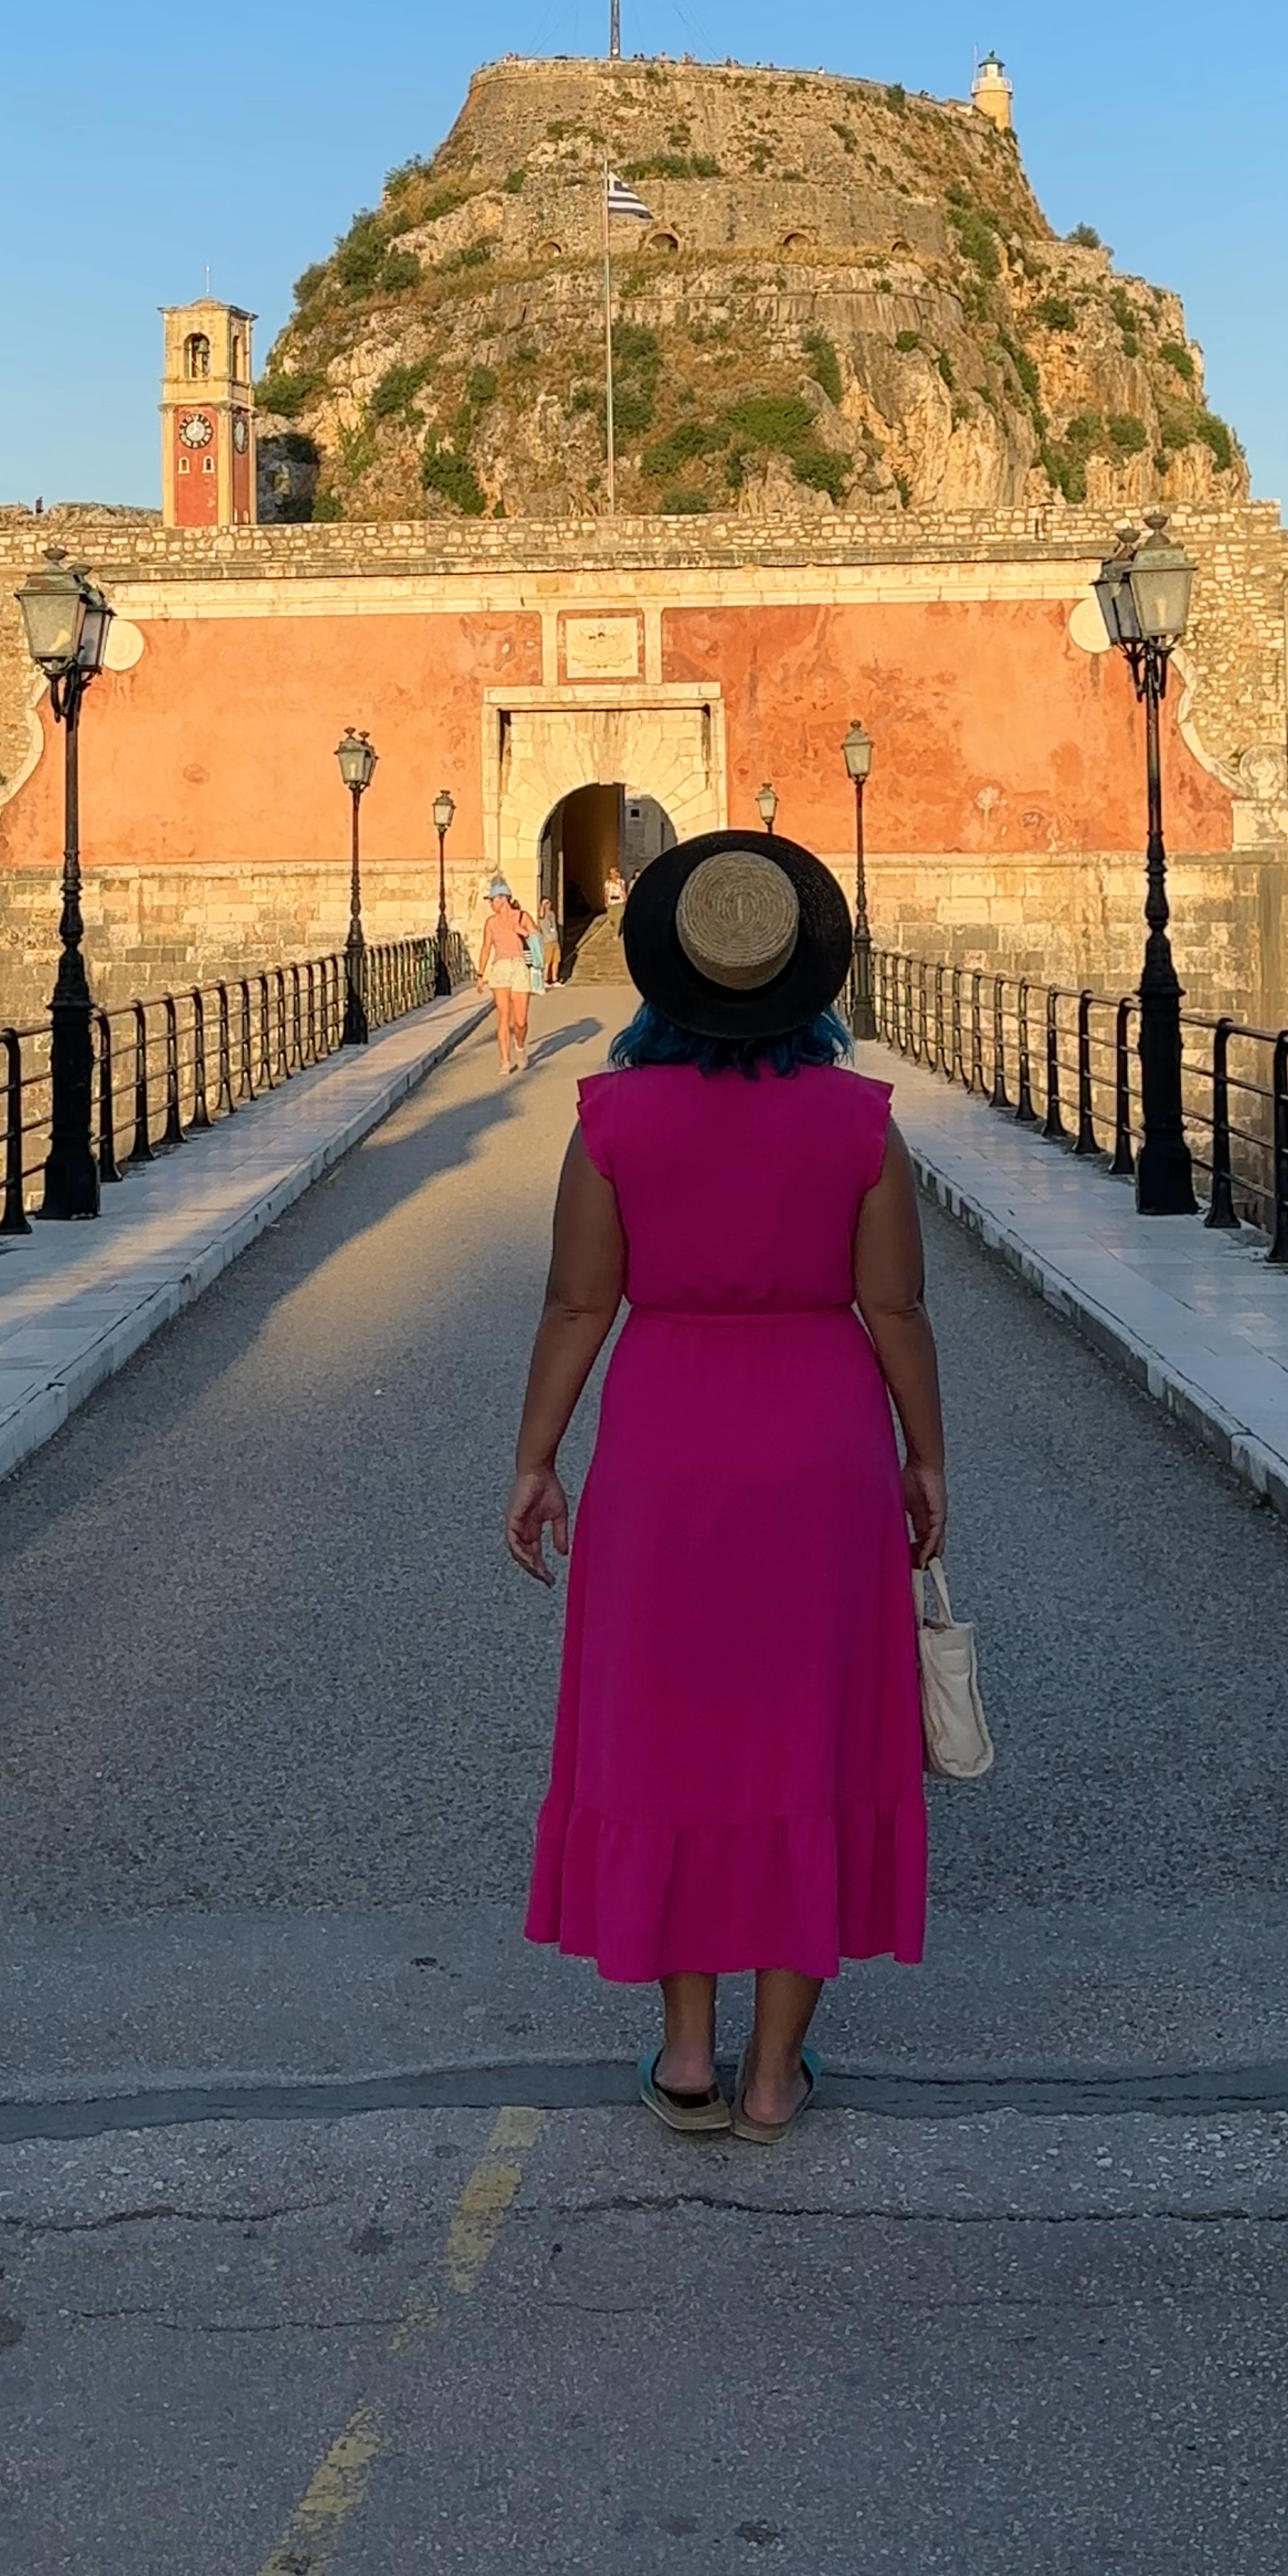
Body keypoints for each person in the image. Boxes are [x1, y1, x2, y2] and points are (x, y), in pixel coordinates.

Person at [506, 830, 947, 2141]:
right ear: (804, 980)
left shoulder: (610, 1116)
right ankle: (776, 2073)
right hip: (823, 1443)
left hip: (666, 1447)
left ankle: (689, 2054)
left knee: (677, 1733)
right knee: (813, 1728)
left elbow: (580, 1299)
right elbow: (898, 1304)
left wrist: (536, 1454)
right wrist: (927, 1455)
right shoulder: (858, 1122)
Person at [479, 875, 536, 1076]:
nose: (491, 904)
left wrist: (523, 932)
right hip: (500, 968)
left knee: (520, 1021)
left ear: (503, 899)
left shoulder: (522, 916)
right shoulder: (491, 923)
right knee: (503, 1016)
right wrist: (480, 974)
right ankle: (504, 1061)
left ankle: (519, 1046)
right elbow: (486, 948)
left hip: (520, 967)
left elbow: (538, 940)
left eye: (492, 900)